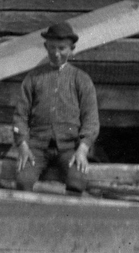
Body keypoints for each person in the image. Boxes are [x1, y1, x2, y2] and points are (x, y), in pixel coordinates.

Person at [13, 21, 99, 194]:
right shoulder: (33, 78)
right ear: (45, 46)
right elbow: (20, 116)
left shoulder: (81, 79)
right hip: (37, 147)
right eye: (52, 47)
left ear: (72, 48)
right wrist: (23, 145)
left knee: (78, 180)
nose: (56, 53)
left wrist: (82, 149)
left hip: (69, 147)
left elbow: (91, 119)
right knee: (23, 180)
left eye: (62, 48)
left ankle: (69, 218)